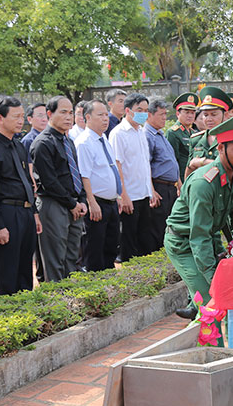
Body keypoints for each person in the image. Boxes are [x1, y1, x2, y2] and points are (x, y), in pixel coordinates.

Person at [164, 111, 233, 320]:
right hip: (183, 242)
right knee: (211, 302)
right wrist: (215, 278)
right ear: (221, 148)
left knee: (223, 296)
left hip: (208, 236)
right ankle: (210, 351)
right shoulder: (203, 184)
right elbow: (198, 237)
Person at [0, 96, 42, 295]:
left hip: (25, 212)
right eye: (16, 117)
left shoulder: (18, 145)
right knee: (8, 272)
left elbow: (26, 181)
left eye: (22, 116)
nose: (20, 121)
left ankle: (25, 315)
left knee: (24, 271)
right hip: (6, 214)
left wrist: (34, 211)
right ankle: (10, 315)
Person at [30, 95, 87, 282]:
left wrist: (82, 201)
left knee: (72, 257)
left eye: (71, 113)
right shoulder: (42, 143)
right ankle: (56, 304)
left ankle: (71, 300)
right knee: (55, 261)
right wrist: (72, 204)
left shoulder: (68, 142)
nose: (68, 117)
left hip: (74, 206)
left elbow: (76, 173)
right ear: (49, 114)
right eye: (63, 112)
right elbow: (49, 181)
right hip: (54, 205)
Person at [75, 99, 126, 272]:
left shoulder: (103, 138)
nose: (105, 119)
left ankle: (109, 281)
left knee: (111, 245)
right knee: (95, 247)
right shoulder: (84, 142)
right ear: (87, 117)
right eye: (100, 115)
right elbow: (84, 175)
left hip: (111, 201)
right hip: (97, 202)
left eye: (106, 115)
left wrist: (118, 195)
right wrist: (91, 202)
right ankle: (97, 285)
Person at [109, 92, 156, 261]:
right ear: (128, 110)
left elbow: (144, 164)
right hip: (130, 195)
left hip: (143, 193)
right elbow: (117, 165)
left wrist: (151, 189)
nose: (143, 113)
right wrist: (124, 195)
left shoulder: (141, 131)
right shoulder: (118, 133)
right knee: (128, 241)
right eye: (139, 109)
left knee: (144, 239)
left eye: (145, 110)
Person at [145, 98, 181, 250]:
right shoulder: (147, 135)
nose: (165, 118)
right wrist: (151, 190)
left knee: (170, 226)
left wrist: (180, 185)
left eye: (165, 114)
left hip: (170, 187)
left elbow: (171, 162)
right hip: (159, 187)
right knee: (159, 227)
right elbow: (146, 165)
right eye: (161, 114)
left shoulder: (160, 134)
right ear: (150, 115)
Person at [21, 102, 47, 283]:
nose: (44, 118)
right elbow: (29, 172)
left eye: (46, 114)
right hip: (38, 197)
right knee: (41, 244)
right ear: (29, 119)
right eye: (39, 115)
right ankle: (42, 277)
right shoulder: (29, 140)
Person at [185, 86, 232, 177]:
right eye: (205, 115)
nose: (209, 119)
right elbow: (190, 168)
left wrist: (202, 162)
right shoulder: (196, 139)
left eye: (214, 114)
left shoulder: (232, 140)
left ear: (225, 115)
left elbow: (230, 168)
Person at [166, 92, 198, 181]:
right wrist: (178, 184)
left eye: (192, 112)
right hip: (181, 179)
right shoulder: (173, 133)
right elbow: (172, 162)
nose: (190, 116)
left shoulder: (194, 132)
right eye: (187, 112)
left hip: (194, 177)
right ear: (177, 114)